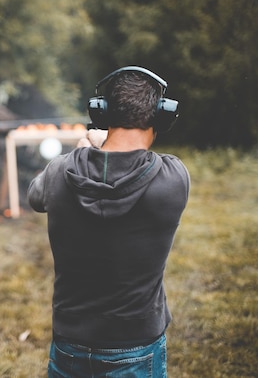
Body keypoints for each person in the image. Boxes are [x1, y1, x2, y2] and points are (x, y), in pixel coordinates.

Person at [27, 66, 190, 377]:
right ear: (161, 116)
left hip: (69, 344)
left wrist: (83, 149)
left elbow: (36, 196)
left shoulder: (60, 171)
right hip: (136, 347)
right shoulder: (174, 179)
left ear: (101, 113)